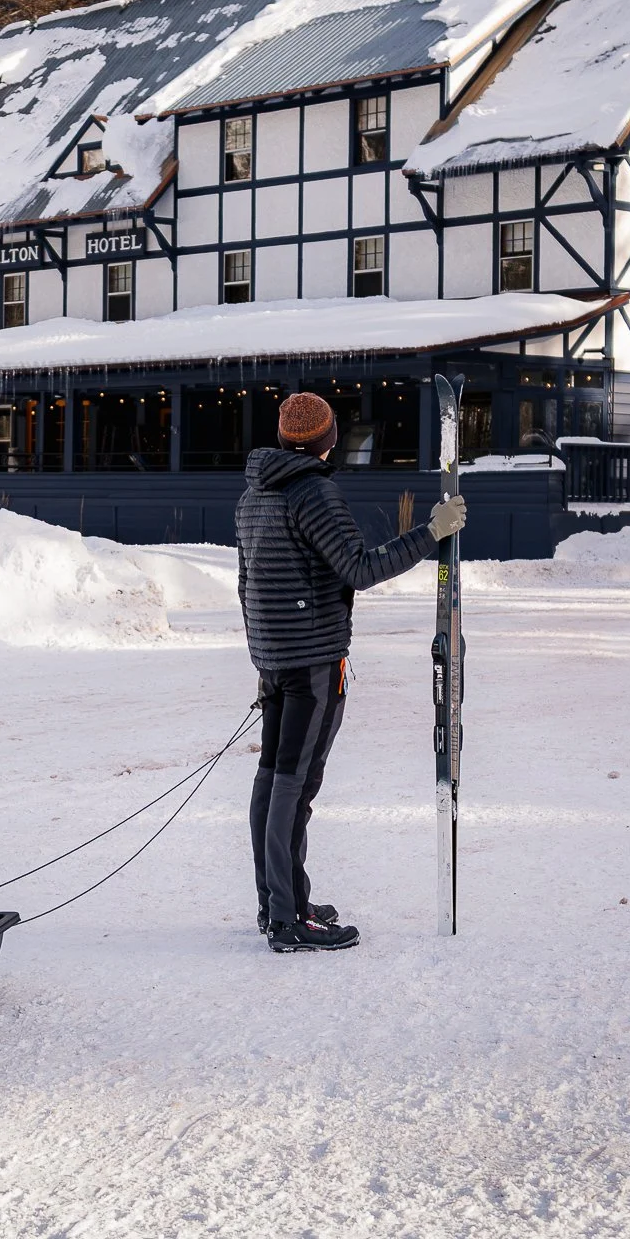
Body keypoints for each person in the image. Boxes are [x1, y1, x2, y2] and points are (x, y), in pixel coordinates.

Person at [236, 391, 467, 952]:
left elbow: (246, 581)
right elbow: (360, 569)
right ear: (328, 438)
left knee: (273, 779)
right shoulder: (313, 492)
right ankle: (288, 921)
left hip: (276, 657)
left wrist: (264, 652)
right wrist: (431, 533)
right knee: (293, 786)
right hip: (312, 660)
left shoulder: (254, 492)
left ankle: (279, 902)